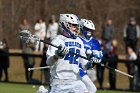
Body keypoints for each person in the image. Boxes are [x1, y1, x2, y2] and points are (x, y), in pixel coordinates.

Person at [46, 14, 99, 93]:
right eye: (74, 26)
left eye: (77, 26)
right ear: (65, 25)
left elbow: (84, 64)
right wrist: (57, 55)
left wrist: (91, 64)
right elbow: (48, 62)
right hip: (59, 82)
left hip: (75, 80)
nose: (76, 28)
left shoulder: (79, 41)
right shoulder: (57, 41)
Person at [79, 19, 103, 92]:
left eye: (91, 30)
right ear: (82, 28)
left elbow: (99, 55)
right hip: (76, 69)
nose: (89, 31)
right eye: (87, 29)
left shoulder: (95, 42)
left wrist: (95, 59)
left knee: (90, 89)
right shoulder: (76, 39)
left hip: (85, 69)